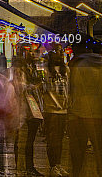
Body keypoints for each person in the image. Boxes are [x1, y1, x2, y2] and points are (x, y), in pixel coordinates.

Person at [67, 36, 102, 176]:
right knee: (99, 151)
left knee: (78, 152)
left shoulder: (79, 64)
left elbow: (74, 91)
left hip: (80, 115)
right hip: (98, 114)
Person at [13, 46, 44, 176]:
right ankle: (21, 166)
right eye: (29, 52)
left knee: (30, 140)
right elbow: (19, 87)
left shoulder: (33, 69)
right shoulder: (18, 70)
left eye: (33, 52)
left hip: (32, 108)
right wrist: (33, 85)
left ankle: (29, 166)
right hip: (21, 109)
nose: (32, 54)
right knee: (22, 140)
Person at [43, 45, 69, 177]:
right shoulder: (46, 71)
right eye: (56, 52)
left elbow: (68, 89)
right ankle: (52, 166)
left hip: (63, 111)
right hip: (51, 111)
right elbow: (45, 90)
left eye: (60, 52)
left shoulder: (66, 71)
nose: (59, 55)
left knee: (60, 139)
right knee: (52, 140)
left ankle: (58, 165)